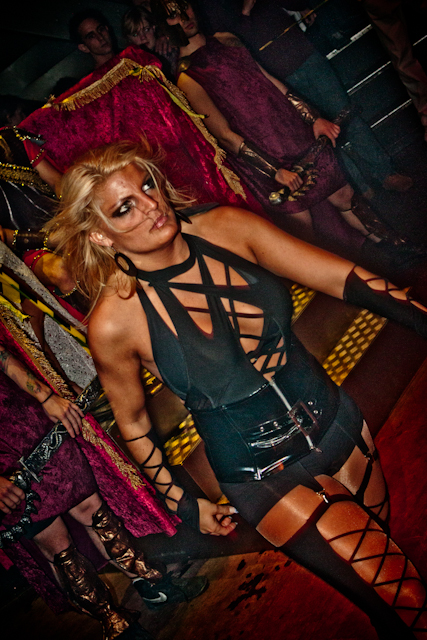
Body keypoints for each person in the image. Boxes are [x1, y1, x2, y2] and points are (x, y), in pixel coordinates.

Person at [47, 139, 427, 639]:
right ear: (100, 235)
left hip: (337, 422)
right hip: (262, 473)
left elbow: (341, 277)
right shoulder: (115, 321)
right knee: (406, 593)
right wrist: (185, 503)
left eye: (148, 186)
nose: (151, 205)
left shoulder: (228, 227)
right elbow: (134, 423)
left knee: (382, 588)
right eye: (125, 208)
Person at [0, 290, 207, 640]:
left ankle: (151, 584)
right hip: (5, 463)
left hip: (28, 421)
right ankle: (115, 624)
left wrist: (46, 395)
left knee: (95, 511)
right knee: (57, 545)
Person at [162, 2, 404, 246]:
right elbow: (224, 134)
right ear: (163, 24)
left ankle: (397, 246)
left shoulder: (226, 39)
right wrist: (274, 170)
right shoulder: (186, 78)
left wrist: (313, 118)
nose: (183, 17)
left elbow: (271, 81)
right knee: (301, 231)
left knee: (344, 195)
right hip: (264, 156)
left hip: (293, 133)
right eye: (172, 15)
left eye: (184, 7)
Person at [189, 0, 415, 196]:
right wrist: (246, 9)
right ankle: (360, 188)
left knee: (346, 115)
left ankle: (385, 173)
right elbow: (230, 43)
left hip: (302, 53)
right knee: (316, 138)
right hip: (274, 75)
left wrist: (302, 8)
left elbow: (294, 3)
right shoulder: (210, 7)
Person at [122, 5, 179, 79]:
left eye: (146, 29)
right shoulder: (128, 66)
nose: (143, 37)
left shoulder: (167, 50)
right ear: (129, 38)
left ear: (153, 28)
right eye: (135, 34)